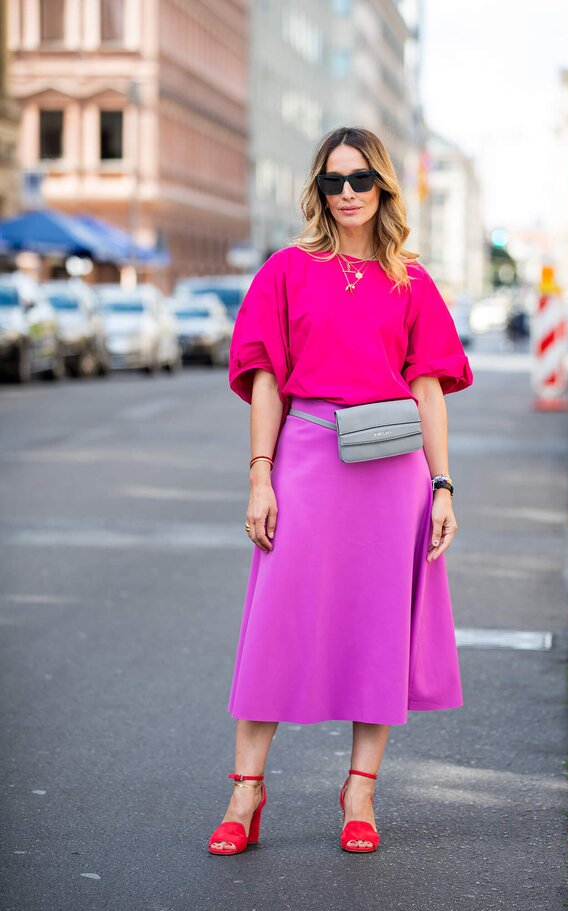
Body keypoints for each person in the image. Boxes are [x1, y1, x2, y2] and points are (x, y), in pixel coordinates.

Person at [208, 126, 474, 856]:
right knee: (274, 622)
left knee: (376, 628)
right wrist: (260, 473)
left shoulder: (410, 280)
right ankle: (245, 790)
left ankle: (359, 791)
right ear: (318, 189)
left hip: (392, 474)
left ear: (383, 187)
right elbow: (265, 377)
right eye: (334, 181)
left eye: (361, 180)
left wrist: (442, 485)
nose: (348, 193)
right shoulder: (285, 271)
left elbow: (427, 388)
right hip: (305, 455)